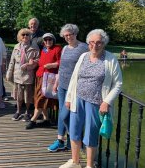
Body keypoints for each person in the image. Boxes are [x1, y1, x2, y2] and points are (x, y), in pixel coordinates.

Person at [59, 29, 122, 168]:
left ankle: (89, 165)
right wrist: (69, 98)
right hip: (78, 99)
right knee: (74, 130)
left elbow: (118, 83)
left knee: (90, 134)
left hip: (96, 102)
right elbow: (74, 78)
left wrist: (107, 101)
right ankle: (75, 162)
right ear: (88, 43)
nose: (95, 45)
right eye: (92, 42)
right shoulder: (83, 56)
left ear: (104, 43)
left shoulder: (110, 59)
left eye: (98, 42)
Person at [48, 24, 88, 152]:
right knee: (62, 113)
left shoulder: (83, 48)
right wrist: (56, 82)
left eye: (70, 34)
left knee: (67, 114)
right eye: (65, 35)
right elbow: (62, 67)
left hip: (75, 87)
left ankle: (72, 139)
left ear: (75, 33)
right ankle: (60, 140)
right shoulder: (65, 48)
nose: (68, 37)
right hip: (62, 86)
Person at [26, 33, 62, 129]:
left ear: (53, 40)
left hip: (49, 77)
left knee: (41, 98)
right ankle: (46, 120)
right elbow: (42, 61)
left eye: (50, 39)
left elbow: (61, 62)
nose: (47, 41)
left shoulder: (57, 49)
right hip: (40, 76)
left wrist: (52, 65)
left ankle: (33, 120)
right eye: (45, 40)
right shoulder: (44, 50)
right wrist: (35, 62)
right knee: (40, 98)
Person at [6, 28, 39, 121]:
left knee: (28, 95)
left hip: (28, 74)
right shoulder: (16, 47)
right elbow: (12, 61)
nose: (25, 36)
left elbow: (38, 60)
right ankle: (18, 111)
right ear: (20, 37)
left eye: (27, 35)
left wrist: (30, 64)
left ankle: (27, 112)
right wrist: (9, 73)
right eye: (23, 35)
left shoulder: (34, 47)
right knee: (18, 95)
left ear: (30, 36)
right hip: (17, 73)